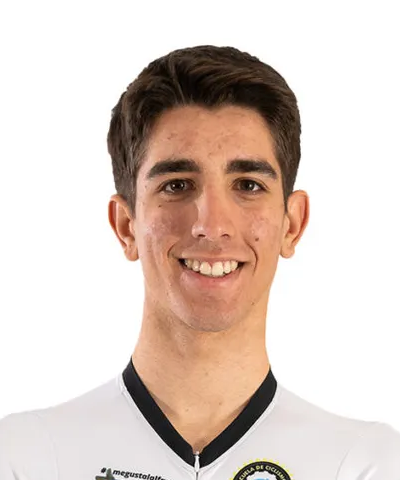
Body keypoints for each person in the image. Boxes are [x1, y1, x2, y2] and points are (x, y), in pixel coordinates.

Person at [0, 45, 399, 480]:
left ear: (292, 224)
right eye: (176, 185)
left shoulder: (364, 464)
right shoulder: (27, 459)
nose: (212, 225)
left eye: (248, 185)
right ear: (126, 226)